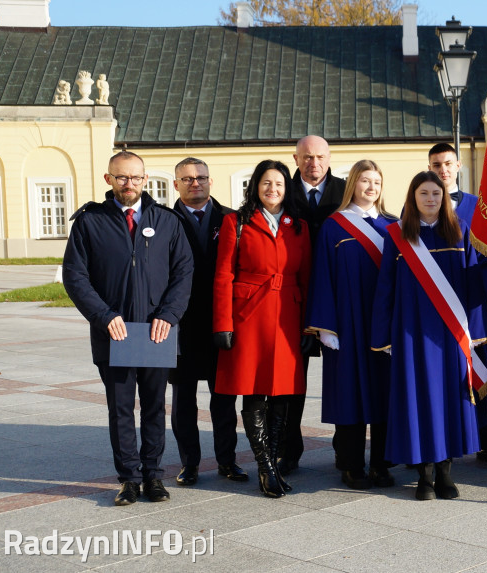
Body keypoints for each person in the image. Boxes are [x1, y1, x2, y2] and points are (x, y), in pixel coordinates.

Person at [63, 150, 193, 506]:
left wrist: (168, 314)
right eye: (121, 177)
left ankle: (153, 476)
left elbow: (184, 272)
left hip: (156, 331)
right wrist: (104, 316)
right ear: (109, 179)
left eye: (135, 177)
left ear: (145, 179)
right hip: (114, 332)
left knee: (154, 406)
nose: (129, 184)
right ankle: (129, 479)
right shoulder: (89, 222)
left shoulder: (167, 221)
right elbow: (75, 276)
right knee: (120, 408)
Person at [371, 171, 487, 501]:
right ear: (413, 197)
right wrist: (384, 337)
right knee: (418, 401)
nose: (430, 199)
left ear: (443, 197)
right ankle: (424, 476)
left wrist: (479, 331)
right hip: (411, 335)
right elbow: (386, 289)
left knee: (449, 402)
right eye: (424, 193)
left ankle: (445, 473)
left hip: (449, 337)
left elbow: (472, 286)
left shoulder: (459, 231)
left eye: (436, 194)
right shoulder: (396, 236)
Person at [213, 160, 312, 498]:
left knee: (284, 392)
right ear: (255, 186)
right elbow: (223, 275)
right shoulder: (236, 222)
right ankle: (265, 467)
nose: (273, 189)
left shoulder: (299, 225)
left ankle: (273, 458)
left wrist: (309, 328)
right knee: (254, 391)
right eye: (266, 183)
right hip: (249, 315)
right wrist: (223, 323)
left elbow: (307, 278)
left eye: (279, 184)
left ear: (288, 189)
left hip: (288, 315)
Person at [305, 159, 398, 490]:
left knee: (385, 394)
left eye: (376, 181)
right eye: (364, 181)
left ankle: (383, 464)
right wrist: (326, 327)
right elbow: (323, 277)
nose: (371, 187)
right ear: (353, 185)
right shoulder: (334, 226)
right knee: (350, 394)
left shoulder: (394, 226)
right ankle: (350, 464)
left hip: (384, 325)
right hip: (347, 324)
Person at [428, 142, 487, 466]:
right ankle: (436, 441)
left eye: (448, 163)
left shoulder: (479, 207)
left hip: (472, 309)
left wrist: (483, 294)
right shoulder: (419, 206)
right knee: (437, 378)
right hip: (434, 311)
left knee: (478, 378)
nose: (443, 170)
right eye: (436, 165)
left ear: (459, 165)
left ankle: (485, 441)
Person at [169, 157, 247, 487]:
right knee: (183, 399)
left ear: (210, 181)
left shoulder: (233, 219)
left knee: (224, 399)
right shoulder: (163, 221)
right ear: (176, 185)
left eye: (201, 177)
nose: (195, 183)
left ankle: (227, 461)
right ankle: (189, 464)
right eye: (187, 179)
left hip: (222, 324)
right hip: (179, 326)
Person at [281, 135, 348, 476]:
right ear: (296, 159)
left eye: (320, 156)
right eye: (307, 157)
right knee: (292, 383)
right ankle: (288, 451)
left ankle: (345, 449)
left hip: (340, 303)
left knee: (343, 380)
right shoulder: (282, 193)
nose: (314, 163)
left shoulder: (346, 192)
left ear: (329, 157)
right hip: (294, 303)